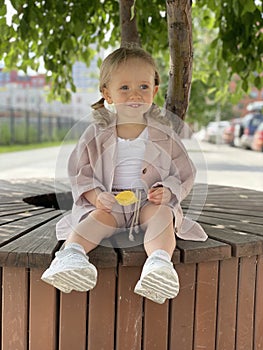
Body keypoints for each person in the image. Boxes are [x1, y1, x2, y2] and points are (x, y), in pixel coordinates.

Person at [41, 47, 207, 304]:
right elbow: (80, 170)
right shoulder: (96, 133)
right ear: (108, 94)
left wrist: (169, 189)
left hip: (149, 202)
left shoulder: (165, 134)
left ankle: (159, 265)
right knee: (98, 217)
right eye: (125, 88)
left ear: (153, 91)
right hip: (112, 201)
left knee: (163, 215)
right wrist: (96, 196)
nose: (135, 95)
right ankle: (71, 256)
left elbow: (184, 171)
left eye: (143, 87)